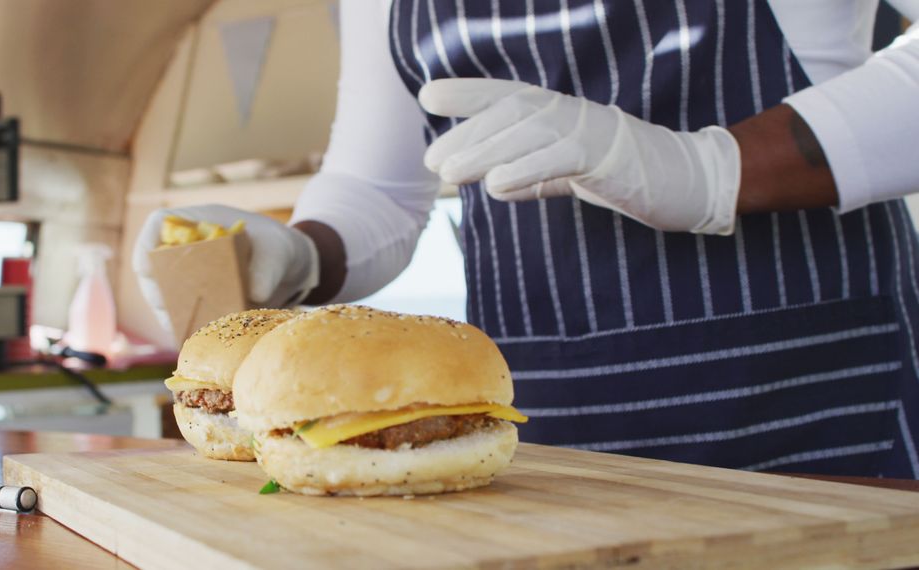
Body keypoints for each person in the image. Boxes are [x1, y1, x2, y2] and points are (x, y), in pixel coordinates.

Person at [136, 0, 919, 478]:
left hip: (808, 394)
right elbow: (378, 185)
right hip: (532, 418)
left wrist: (710, 169)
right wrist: (302, 256)